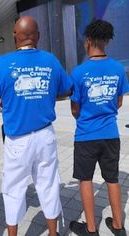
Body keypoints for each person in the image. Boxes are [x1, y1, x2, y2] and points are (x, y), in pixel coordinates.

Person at [0, 16, 73, 236]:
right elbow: (67, 89)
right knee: (48, 185)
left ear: (14, 37)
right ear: (37, 36)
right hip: (45, 135)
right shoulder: (50, 61)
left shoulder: (1, 64)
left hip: (17, 141)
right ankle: (53, 233)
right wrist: (46, 95)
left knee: (13, 189)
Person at [69, 19, 129, 236]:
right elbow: (119, 102)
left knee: (85, 179)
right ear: (107, 41)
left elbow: (75, 109)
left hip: (86, 135)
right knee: (112, 179)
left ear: (88, 41)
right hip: (111, 134)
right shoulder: (118, 69)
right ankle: (118, 226)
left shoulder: (78, 72)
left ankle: (91, 228)